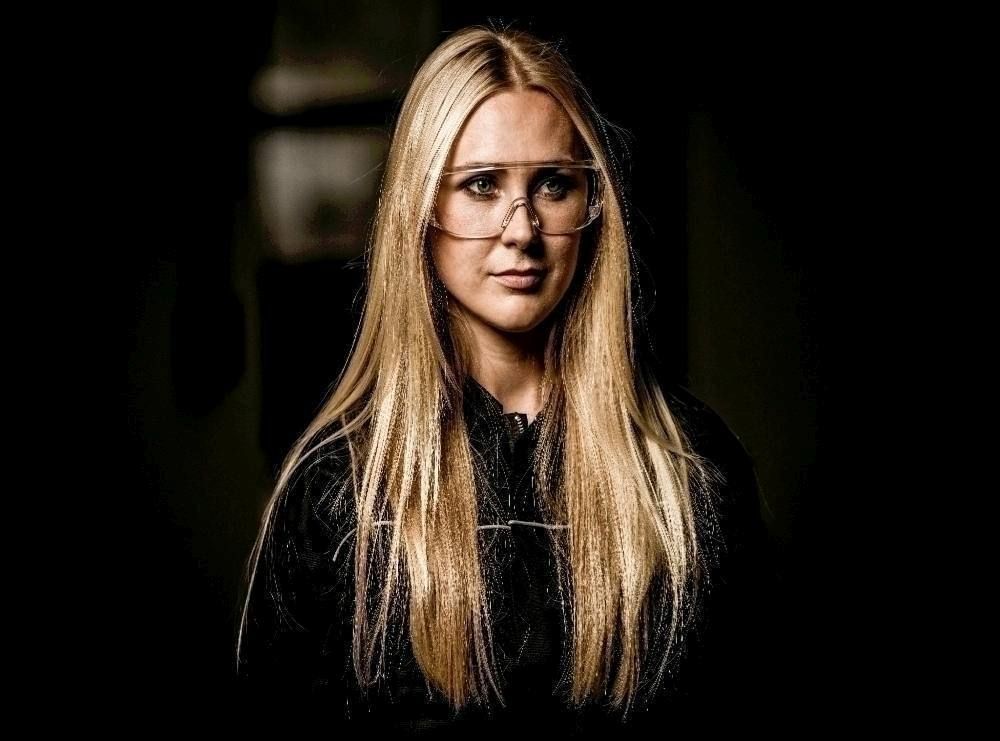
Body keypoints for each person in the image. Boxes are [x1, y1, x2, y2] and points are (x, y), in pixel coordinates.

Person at [234, 24, 774, 735]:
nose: (521, 229)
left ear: (591, 209)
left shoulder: (691, 470)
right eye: (482, 185)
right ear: (422, 209)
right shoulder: (338, 490)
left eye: (553, 184)